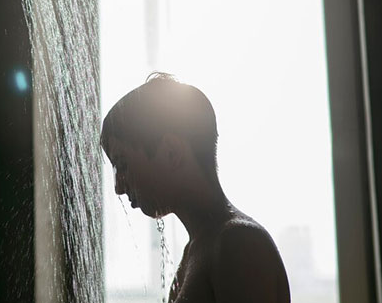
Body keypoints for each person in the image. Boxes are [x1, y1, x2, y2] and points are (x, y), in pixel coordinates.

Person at [100, 73, 291, 303]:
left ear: (171, 152)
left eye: (122, 164)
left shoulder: (238, 244)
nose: (118, 187)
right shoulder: (200, 248)